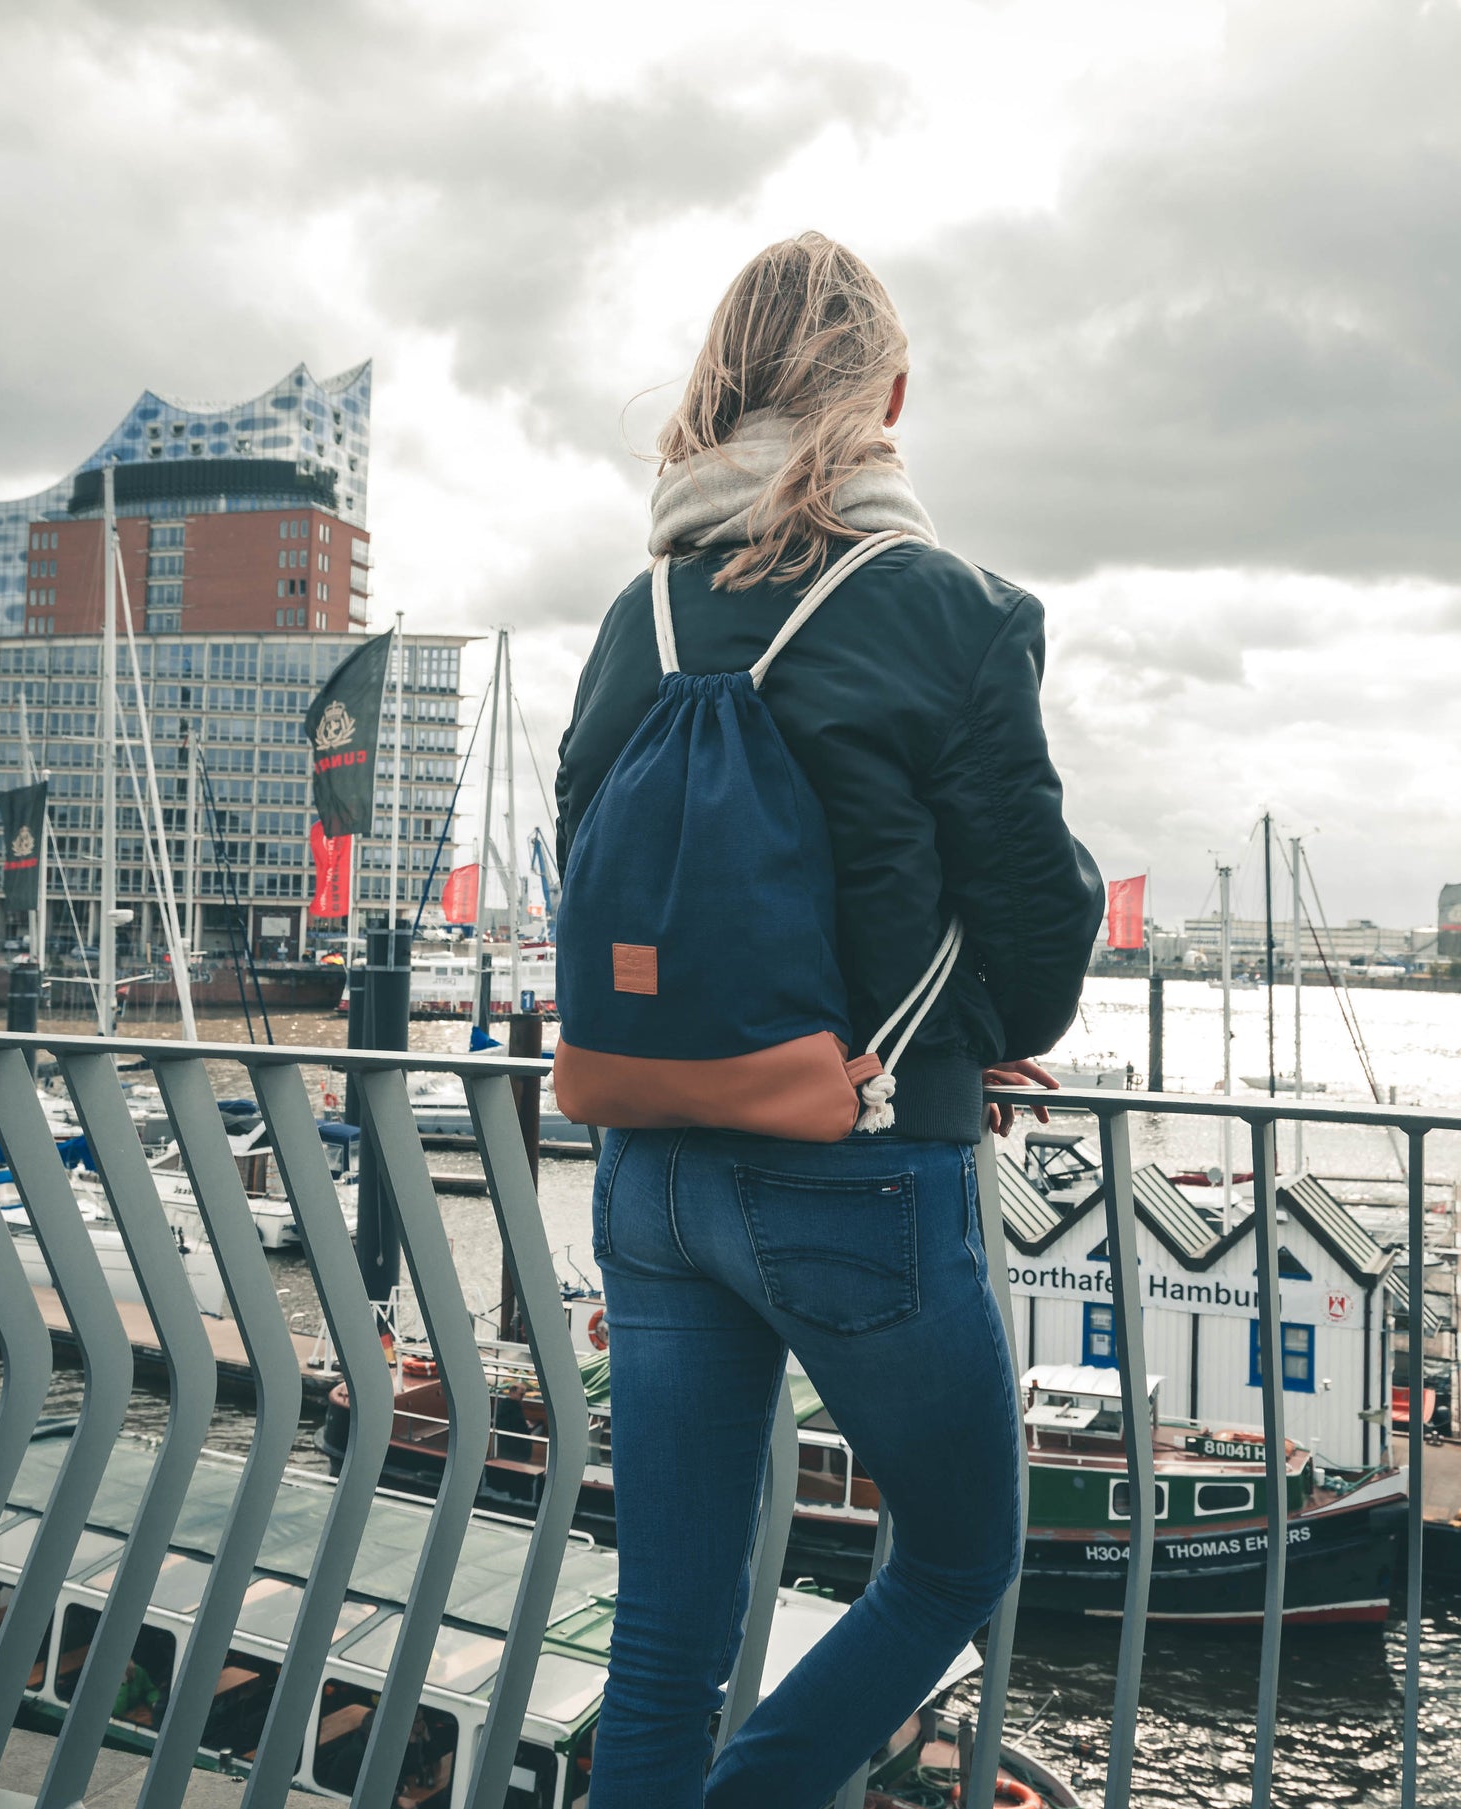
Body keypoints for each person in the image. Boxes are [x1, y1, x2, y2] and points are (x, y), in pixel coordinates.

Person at [554, 232, 1103, 1809]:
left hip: (649, 1172)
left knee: (667, 1620)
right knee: (952, 1557)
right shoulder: (953, 613)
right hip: (855, 1165)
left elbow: (597, 868)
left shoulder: (634, 616)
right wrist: (971, 1026)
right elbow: (1040, 937)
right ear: (891, 399)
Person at [494, 1382, 533, 1463]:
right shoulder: (512, 1406)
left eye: (523, 1395)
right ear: (512, 1392)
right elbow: (518, 1425)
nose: (522, 1397)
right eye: (521, 1394)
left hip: (506, 1445)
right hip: (513, 1446)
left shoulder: (504, 1405)